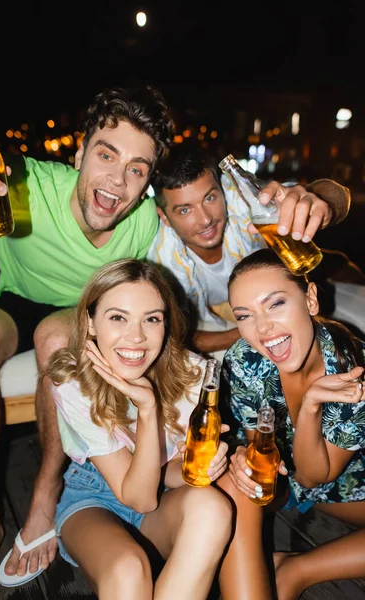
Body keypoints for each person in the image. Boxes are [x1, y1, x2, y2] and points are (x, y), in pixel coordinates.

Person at [0, 85, 175, 597]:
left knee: (57, 333)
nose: (117, 180)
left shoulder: (148, 221)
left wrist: (317, 196)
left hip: (78, 314)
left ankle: (44, 495)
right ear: (79, 153)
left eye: (137, 168)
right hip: (16, 297)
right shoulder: (22, 181)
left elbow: (225, 211)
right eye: (106, 154)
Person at [46, 258, 232, 599]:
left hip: (162, 496)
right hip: (94, 499)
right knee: (129, 568)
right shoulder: (74, 381)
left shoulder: (194, 374)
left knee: (213, 508)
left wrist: (196, 470)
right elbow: (138, 498)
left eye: (152, 319)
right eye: (118, 317)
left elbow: (168, 476)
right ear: (90, 323)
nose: (136, 337)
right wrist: (148, 408)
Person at [216, 247, 365, 600]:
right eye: (245, 315)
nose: (263, 328)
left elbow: (316, 476)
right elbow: (266, 455)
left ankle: (296, 569)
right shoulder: (245, 359)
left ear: (310, 300)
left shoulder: (354, 368)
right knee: (234, 483)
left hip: (346, 480)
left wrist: (312, 404)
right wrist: (245, 459)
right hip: (288, 482)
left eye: (276, 304)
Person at [147, 145, 353, 359]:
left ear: (222, 189)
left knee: (345, 274)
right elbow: (178, 336)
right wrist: (252, 329)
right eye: (185, 210)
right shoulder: (164, 261)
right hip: (217, 316)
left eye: (210, 198)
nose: (206, 219)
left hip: (280, 277)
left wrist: (324, 206)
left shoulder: (242, 197)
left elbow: (334, 195)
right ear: (163, 216)